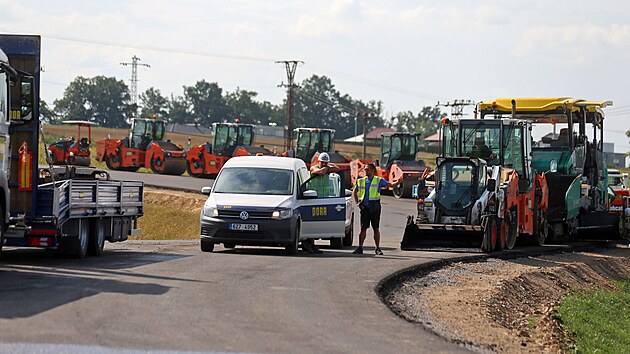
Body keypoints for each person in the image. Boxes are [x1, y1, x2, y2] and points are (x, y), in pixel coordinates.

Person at [352, 163, 401, 255]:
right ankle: (360, 247)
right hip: (365, 208)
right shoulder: (361, 181)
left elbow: (390, 185)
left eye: (368, 170)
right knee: (363, 228)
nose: (366, 171)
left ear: (373, 171)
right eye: (365, 170)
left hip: (375, 208)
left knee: (376, 228)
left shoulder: (378, 180)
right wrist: (358, 203)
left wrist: (398, 182)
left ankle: (377, 248)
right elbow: (355, 192)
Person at [301, 152, 340, 254]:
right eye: (323, 163)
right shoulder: (314, 168)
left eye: (326, 163)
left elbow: (337, 169)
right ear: (319, 161)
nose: (324, 164)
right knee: (312, 222)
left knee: (318, 222)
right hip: (312, 198)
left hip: (324, 199)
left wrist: (327, 167)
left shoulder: (327, 167)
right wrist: (326, 169)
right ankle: (308, 243)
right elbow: (319, 172)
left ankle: (312, 244)